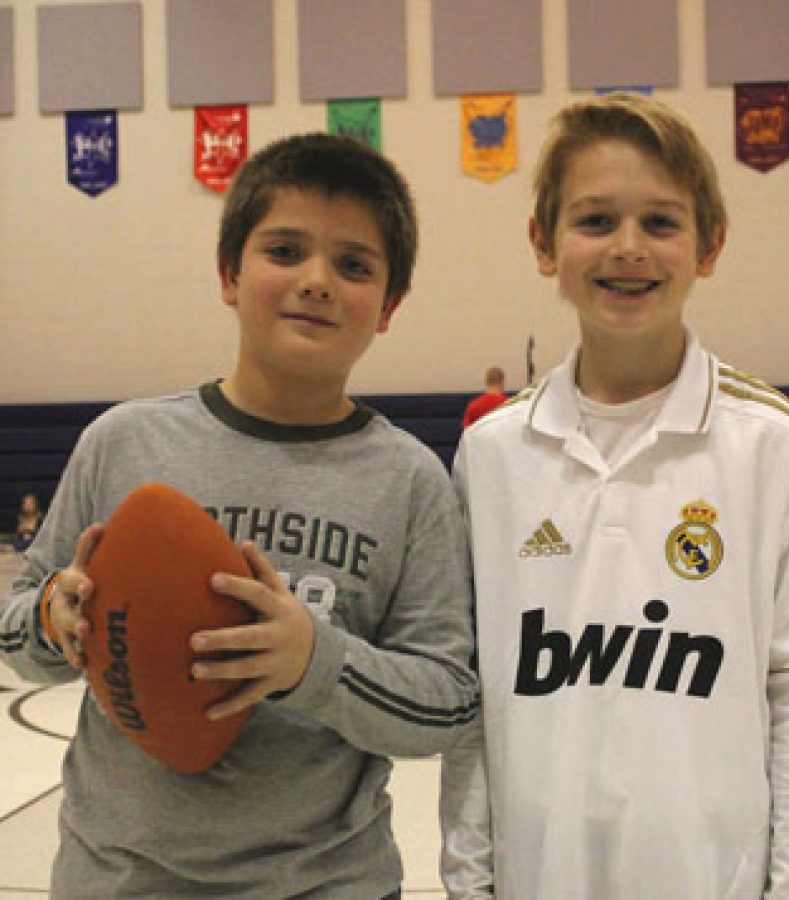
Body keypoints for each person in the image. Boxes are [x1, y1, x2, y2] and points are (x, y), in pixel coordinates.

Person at [0, 133, 479, 898]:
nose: (317, 281)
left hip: (325, 882)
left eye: (354, 265)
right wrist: (57, 620)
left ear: (388, 307)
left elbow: (448, 702)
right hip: (118, 880)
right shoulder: (123, 443)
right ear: (229, 274)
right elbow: (20, 632)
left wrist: (309, 662)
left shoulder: (410, 483)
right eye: (285, 250)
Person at [439, 93, 789, 899]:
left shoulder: (771, 443)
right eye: (595, 220)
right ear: (543, 241)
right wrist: (470, 883)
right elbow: (474, 704)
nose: (628, 248)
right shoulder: (492, 454)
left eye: (661, 223)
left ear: (709, 245)